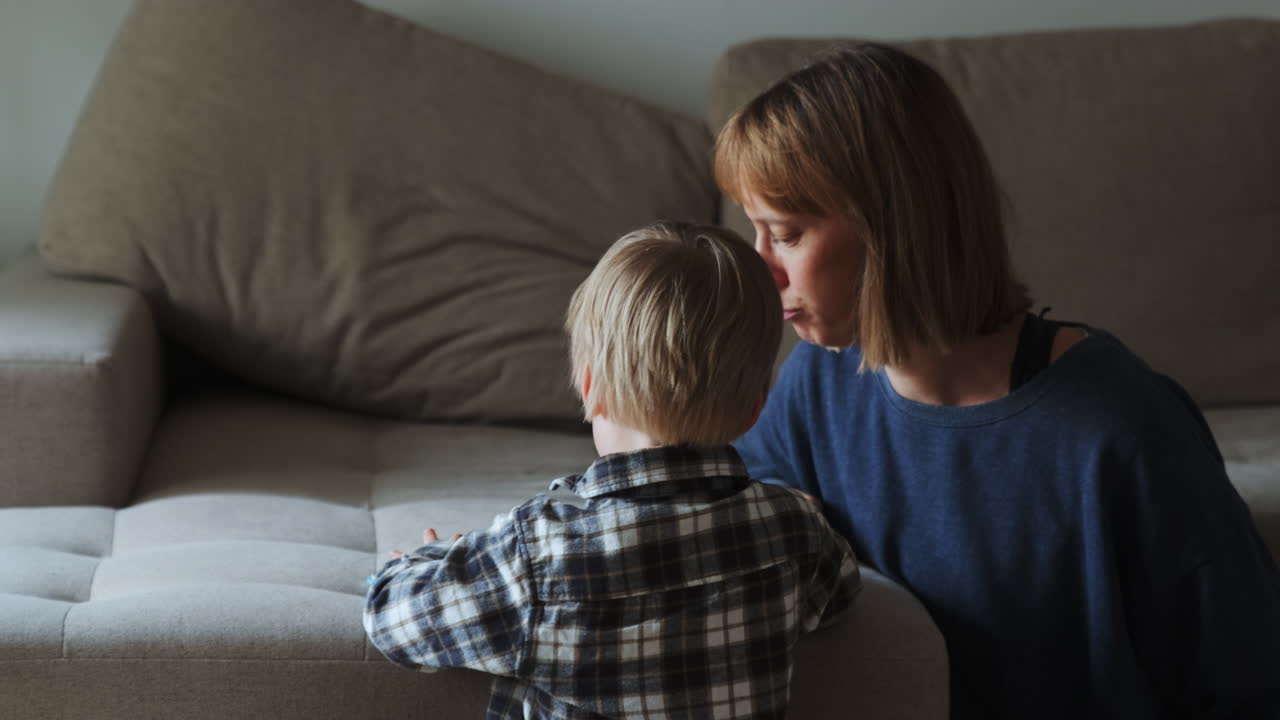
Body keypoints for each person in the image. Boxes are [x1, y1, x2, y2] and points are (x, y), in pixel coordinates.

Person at [713, 43, 1280, 719]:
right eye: (756, 232)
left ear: (896, 227)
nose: (761, 266)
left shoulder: (1121, 430)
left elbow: (1244, 678)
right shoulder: (815, 384)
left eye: (786, 233)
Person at [363, 221, 860, 719]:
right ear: (757, 408)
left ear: (588, 384)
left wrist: (429, 560)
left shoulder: (536, 555)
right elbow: (837, 593)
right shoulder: (792, 531)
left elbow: (393, 619)